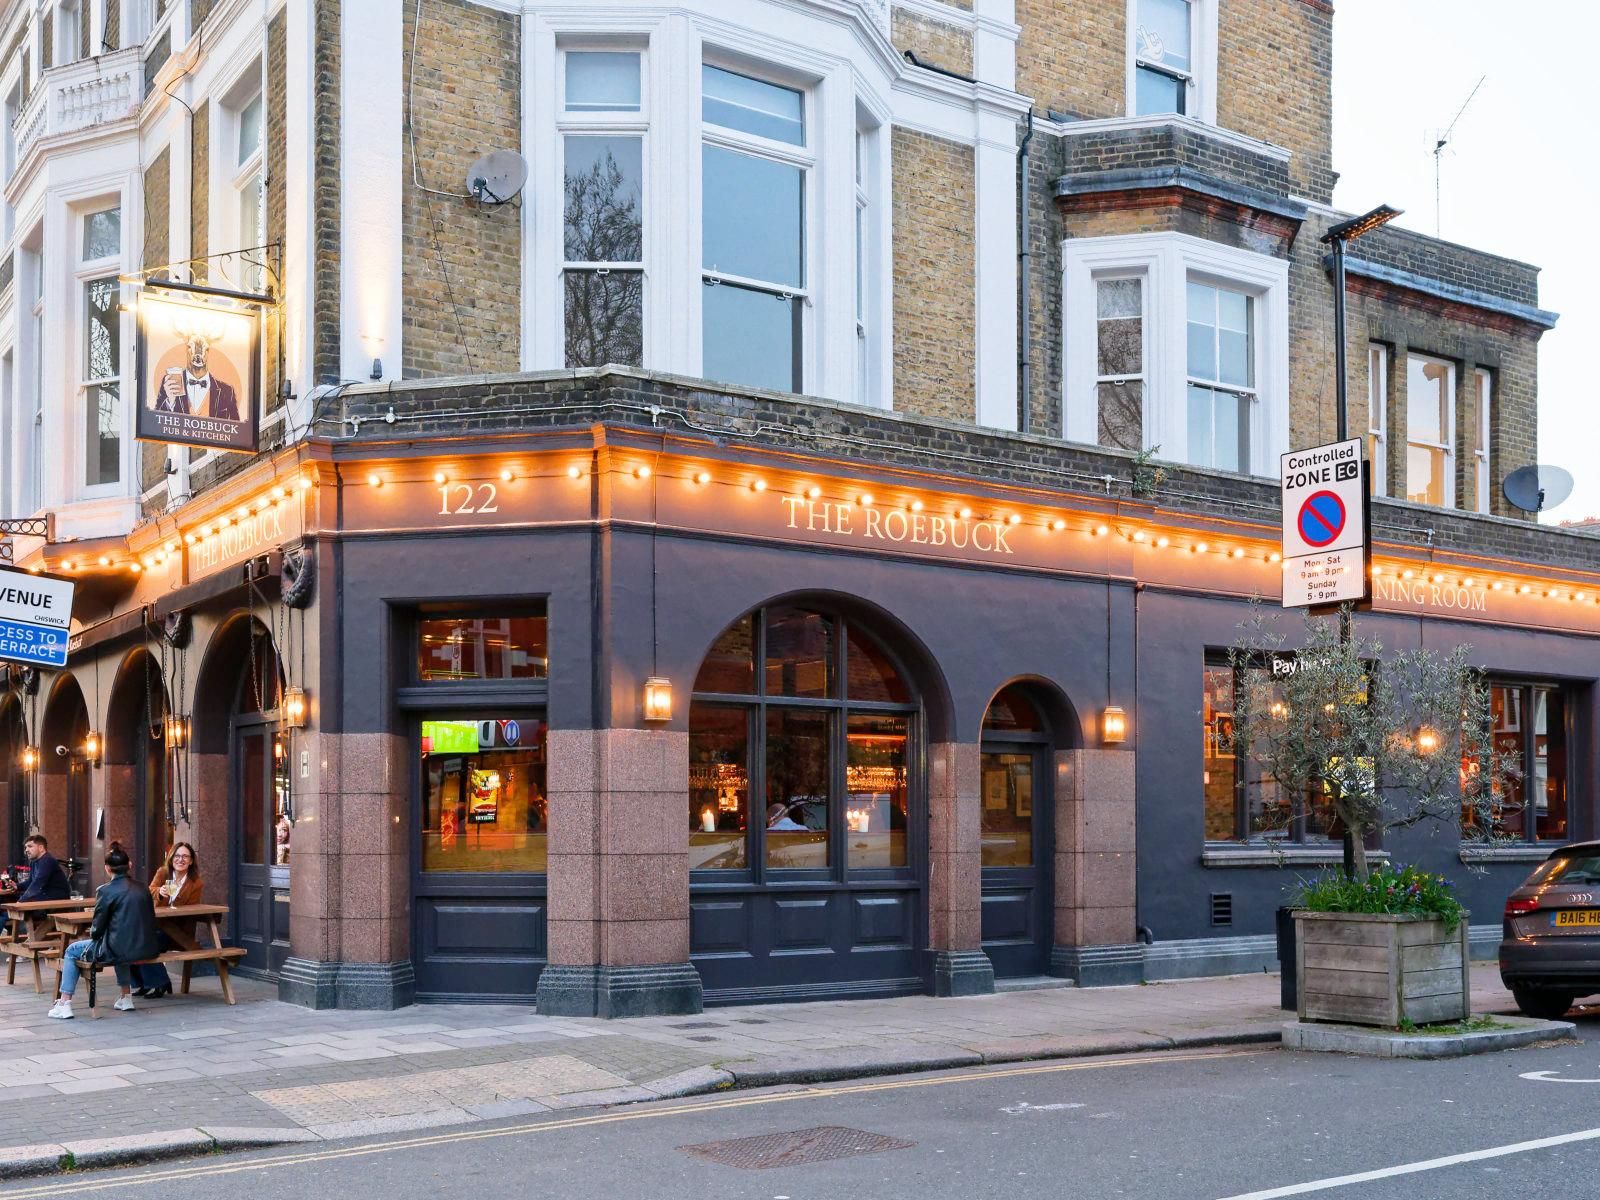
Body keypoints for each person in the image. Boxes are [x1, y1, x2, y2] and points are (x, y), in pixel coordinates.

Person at [48, 844, 158, 1019]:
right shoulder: (143, 887)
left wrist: (93, 932)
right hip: (146, 947)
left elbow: (97, 929)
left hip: (117, 949)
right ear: (129, 865)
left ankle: (64, 1003)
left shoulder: (105, 891)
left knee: (70, 951)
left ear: (107, 868)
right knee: (119, 945)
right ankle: (126, 997)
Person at [129, 843, 202, 999]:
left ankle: (159, 983)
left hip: (177, 931)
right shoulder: (163, 873)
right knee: (130, 938)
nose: (180, 860)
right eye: (177, 856)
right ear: (171, 858)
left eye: (185, 856)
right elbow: (150, 889)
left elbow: (192, 909)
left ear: (191, 861)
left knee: (146, 942)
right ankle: (144, 983)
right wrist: (159, 892)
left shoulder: (196, 882)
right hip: (157, 924)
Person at [154, 333, 241, 420]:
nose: (197, 353)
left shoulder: (227, 392)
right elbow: (154, 423)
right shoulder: (170, 383)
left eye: (204, 348)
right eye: (191, 347)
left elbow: (237, 428)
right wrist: (170, 401)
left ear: (208, 351)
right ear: (187, 350)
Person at [16, 835, 70, 903]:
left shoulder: (47, 860)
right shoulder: (33, 862)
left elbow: (37, 884)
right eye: (25, 847)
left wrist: (20, 902)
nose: (26, 850)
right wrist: (16, 886)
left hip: (56, 901)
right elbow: (30, 882)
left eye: (30, 846)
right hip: (44, 898)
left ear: (41, 848)